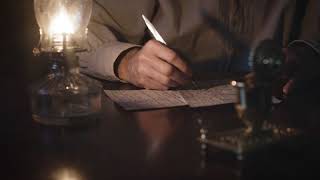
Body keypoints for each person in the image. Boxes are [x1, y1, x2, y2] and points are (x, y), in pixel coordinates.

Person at [79, 0, 320, 92]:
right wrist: (127, 62)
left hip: (282, 110)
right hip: (167, 121)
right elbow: (86, 35)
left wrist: (307, 51)